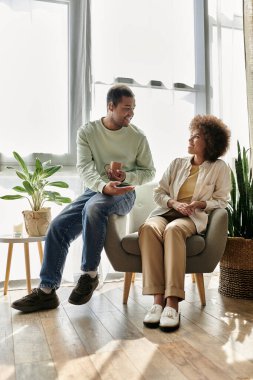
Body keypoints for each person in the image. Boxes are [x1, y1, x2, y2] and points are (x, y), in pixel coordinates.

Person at [12, 84, 155, 313]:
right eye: (126, 108)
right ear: (110, 106)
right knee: (57, 227)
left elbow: (149, 172)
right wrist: (101, 186)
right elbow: (85, 169)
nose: (131, 113)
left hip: (125, 192)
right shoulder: (88, 132)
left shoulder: (137, 136)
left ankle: (89, 275)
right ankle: (47, 292)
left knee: (94, 209)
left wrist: (126, 176)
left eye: (133, 108)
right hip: (95, 190)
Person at [139, 114, 231, 332]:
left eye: (195, 137)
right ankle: (157, 301)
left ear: (209, 142)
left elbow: (222, 200)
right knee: (148, 228)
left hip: (191, 218)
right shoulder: (177, 163)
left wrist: (200, 204)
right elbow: (159, 192)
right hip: (167, 211)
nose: (189, 140)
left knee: (173, 230)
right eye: (190, 136)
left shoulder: (219, 168)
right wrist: (173, 202)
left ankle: (172, 304)